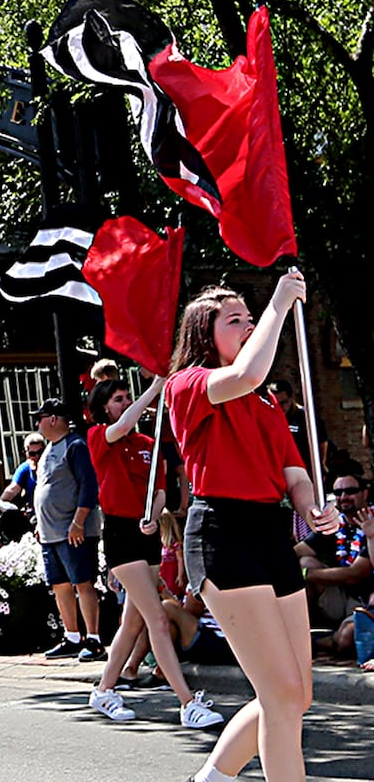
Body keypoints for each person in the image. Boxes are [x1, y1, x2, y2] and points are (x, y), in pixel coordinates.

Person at [165, 274, 339, 782]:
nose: (247, 326)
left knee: (295, 694)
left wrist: (312, 510)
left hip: (271, 533)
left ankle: (213, 778)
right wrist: (280, 304)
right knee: (281, 694)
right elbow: (245, 373)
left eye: (250, 318)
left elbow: (295, 475)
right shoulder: (189, 385)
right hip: (223, 533)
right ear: (204, 332)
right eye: (235, 320)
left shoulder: (265, 406)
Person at [83, 375, 224, 728]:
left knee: (133, 621)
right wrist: (155, 387)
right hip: (119, 533)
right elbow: (123, 424)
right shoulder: (99, 436)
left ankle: (103, 689)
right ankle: (187, 701)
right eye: (117, 398)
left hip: (145, 532)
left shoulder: (150, 442)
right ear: (103, 407)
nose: (124, 403)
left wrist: (154, 513)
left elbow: (160, 488)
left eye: (125, 397)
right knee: (157, 618)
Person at [30, 400, 106, 661]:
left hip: (73, 530)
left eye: (39, 418)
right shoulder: (49, 450)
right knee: (60, 584)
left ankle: (94, 639)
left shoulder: (76, 446)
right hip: (51, 532)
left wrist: (78, 521)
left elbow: (88, 486)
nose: (37, 424)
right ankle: (72, 635)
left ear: (53, 419)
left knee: (82, 582)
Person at [294, 473, 372, 656]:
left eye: (350, 491)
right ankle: (296, 635)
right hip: (340, 598)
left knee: (346, 640)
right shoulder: (336, 524)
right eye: (338, 492)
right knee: (304, 561)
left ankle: (319, 642)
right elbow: (297, 552)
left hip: (366, 601)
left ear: (365, 494)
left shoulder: (372, 523)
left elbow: (356, 574)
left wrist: (305, 574)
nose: (343, 497)